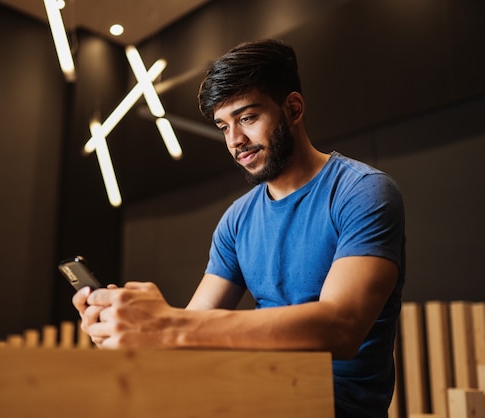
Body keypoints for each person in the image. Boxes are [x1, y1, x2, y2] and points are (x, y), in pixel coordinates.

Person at [73, 38, 405, 418]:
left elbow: (340, 329)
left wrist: (167, 324)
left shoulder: (362, 191)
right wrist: (127, 330)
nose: (235, 141)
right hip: (258, 391)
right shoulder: (237, 219)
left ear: (293, 109)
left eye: (247, 118)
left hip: (335, 406)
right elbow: (191, 330)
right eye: (223, 126)